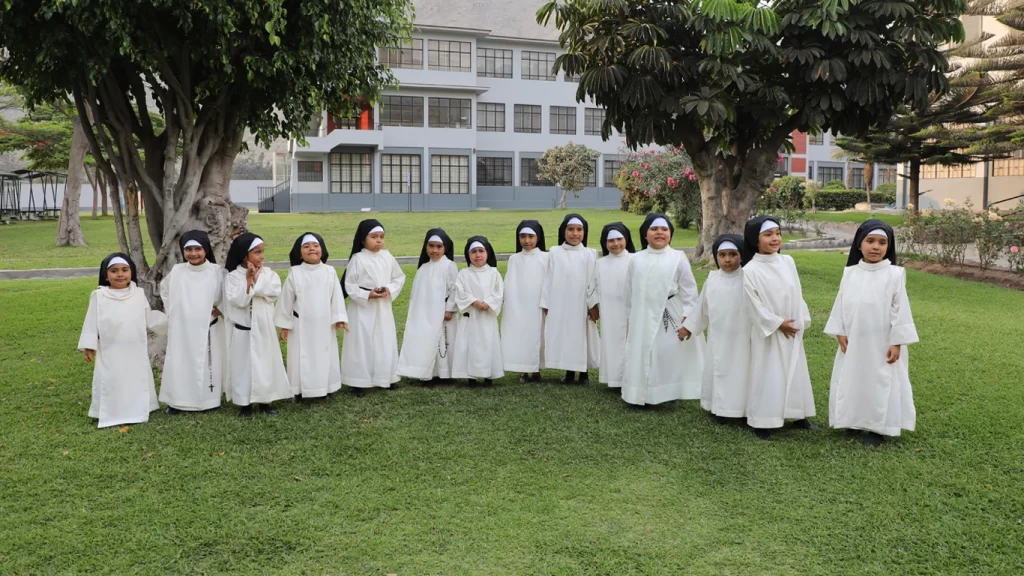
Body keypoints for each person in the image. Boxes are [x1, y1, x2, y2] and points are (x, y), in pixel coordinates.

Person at [825, 220, 919, 447]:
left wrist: (897, 342)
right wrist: (840, 331)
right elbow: (841, 303)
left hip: (883, 342)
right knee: (853, 378)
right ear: (859, 244)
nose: (876, 247)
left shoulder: (895, 275)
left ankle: (879, 428)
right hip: (855, 339)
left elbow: (900, 309)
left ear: (889, 246)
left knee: (880, 381)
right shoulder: (850, 273)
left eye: (882, 242)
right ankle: (853, 421)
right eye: (870, 241)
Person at [741, 215, 816, 439]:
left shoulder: (788, 262)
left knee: (795, 370)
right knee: (769, 373)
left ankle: (797, 414)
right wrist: (777, 324)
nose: (775, 239)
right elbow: (753, 305)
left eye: (777, 233)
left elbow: (797, 292)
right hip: (770, 332)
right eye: (768, 234)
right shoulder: (750, 270)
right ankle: (763, 420)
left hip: (792, 328)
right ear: (755, 239)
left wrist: (799, 319)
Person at [621, 214, 705, 407]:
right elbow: (629, 289)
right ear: (645, 234)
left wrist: (688, 315)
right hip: (642, 313)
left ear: (670, 234)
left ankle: (668, 391)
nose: (659, 232)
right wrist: (629, 314)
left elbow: (689, 288)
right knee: (644, 352)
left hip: (670, 312)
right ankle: (638, 394)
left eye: (664, 229)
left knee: (667, 352)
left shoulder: (678, 257)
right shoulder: (636, 259)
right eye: (654, 229)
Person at [78, 253, 167, 428]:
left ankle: (140, 407)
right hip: (110, 348)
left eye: (125, 270)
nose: (120, 274)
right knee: (111, 378)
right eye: (114, 271)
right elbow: (91, 321)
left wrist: (170, 320)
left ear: (131, 273)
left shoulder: (138, 294)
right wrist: (89, 345)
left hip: (134, 347)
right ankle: (110, 410)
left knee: (135, 377)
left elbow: (149, 318)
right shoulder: (99, 295)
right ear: (106, 274)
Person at [680, 233, 751, 423]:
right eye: (722, 255)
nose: (727, 260)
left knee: (742, 373)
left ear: (741, 255)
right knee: (719, 371)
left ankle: (741, 409)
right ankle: (719, 409)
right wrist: (688, 327)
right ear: (716, 257)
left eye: (733, 254)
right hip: (719, 338)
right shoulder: (712, 279)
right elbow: (701, 307)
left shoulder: (749, 278)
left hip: (744, 338)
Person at [223, 233, 291, 416]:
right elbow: (238, 301)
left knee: (265, 366)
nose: (262, 256)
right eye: (257, 252)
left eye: (262, 252)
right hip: (243, 331)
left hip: (263, 329)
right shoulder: (232, 277)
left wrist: (256, 280)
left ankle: (265, 401)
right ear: (244, 255)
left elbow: (273, 291)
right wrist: (247, 280)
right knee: (243, 368)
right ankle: (244, 404)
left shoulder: (269, 274)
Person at [158, 230, 227, 415]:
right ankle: (177, 401)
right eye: (189, 249)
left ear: (206, 250)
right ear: (183, 251)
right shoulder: (177, 271)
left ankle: (209, 401)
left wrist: (221, 310)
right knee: (180, 363)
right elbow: (164, 290)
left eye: (198, 249)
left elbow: (227, 295)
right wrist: (173, 311)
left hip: (208, 327)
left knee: (207, 363)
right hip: (182, 328)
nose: (193, 253)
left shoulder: (217, 272)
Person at [275, 232, 348, 402]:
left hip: (324, 324)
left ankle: (325, 388)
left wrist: (339, 317)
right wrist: (285, 324)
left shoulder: (329, 271)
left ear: (322, 250)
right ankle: (298, 391)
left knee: (324, 356)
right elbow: (286, 299)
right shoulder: (295, 272)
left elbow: (336, 296)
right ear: (299, 253)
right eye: (306, 247)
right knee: (300, 358)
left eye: (315, 246)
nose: (311, 249)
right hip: (301, 325)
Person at [341, 219, 406, 396]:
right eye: (374, 237)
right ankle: (358, 381)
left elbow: (399, 278)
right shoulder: (357, 259)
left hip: (383, 308)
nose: (379, 240)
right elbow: (350, 285)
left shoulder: (388, 256)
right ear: (363, 239)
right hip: (363, 310)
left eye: (382, 237)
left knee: (385, 341)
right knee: (362, 343)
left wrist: (388, 289)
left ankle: (388, 377)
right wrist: (367, 294)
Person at [540, 213, 600, 384]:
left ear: (584, 232)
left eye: (579, 230)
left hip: (582, 303)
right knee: (566, 336)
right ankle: (569, 372)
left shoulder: (590, 254)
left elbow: (593, 281)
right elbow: (548, 278)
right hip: (561, 303)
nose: (575, 234)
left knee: (583, 336)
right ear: (563, 232)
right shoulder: (554, 252)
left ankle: (584, 374)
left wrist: (593, 305)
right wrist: (546, 303)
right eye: (571, 229)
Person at [397, 228, 459, 386]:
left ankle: (444, 374)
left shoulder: (449, 266)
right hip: (425, 314)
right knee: (426, 342)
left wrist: (449, 309)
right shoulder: (423, 269)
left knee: (444, 342)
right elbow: (417, 294)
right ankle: (428, 373)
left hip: (443, 312)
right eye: (431, 246)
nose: (434, 250)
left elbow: (454, 289)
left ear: (445, 248)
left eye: (439, 246)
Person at [501, 220, 549, 383]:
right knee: (520, 335)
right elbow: (509, 281)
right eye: (523, 236)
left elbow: (549, 281)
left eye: (530, 236)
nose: (527, 240)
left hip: (537, 304)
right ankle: (523, 370)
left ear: (538, 237)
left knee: (538, 335)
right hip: (518, 304)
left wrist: (546, 302)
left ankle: (536, 370)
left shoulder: (546, 257)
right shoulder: (514, 259)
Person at [452, 236, 504, 385]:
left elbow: (498, 292)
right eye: (473, 252)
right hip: (471, 317)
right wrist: (473, 301)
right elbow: (459, 291)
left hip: (487, 317)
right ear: (468, 255)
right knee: (470, 347)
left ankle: (489, 376)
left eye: (481, 251)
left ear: (488, 253)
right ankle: (471, 377)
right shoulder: (464, 273)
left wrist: (488, 303)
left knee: (488, 345)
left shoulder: (494, 273)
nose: (477, 255)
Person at [594, 222, 635, 389]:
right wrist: (593, 306)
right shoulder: (600, 263)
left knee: (631, 342)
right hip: (609, 310)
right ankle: (615, 379)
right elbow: (592, 287)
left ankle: (631, 378)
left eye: (619, 239)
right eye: (611, 240)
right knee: (612, 344)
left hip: (631, 310)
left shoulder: (635, 260)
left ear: (626, 239)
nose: (616, 244)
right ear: (605, 243)